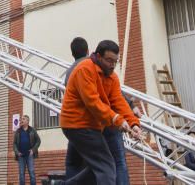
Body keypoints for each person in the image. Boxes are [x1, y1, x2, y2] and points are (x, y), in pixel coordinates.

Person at [60, 39, 142, 184]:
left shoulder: (112, 77)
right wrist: (117, 119)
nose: (112, 65)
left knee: (98, 166)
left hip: (93, 126)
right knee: (108, 166)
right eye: (109, 60)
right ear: (98, 56)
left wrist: (133, 123)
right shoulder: (84, 69)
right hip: (76, 124)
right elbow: (93, 102)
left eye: (115, 61)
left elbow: (119, 101)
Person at [64, 37, 90, 179]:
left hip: (72, 126)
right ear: (88, 50)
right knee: (94, 165)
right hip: (88, 126)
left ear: (72, 54)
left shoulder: (68, 73)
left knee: (72, 164)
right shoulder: (92, 66)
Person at [13, 115, 41, 185]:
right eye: (21, 119)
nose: (21, 120)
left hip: (29, 155)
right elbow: (14, 144)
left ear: (27, 121)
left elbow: (38, 141)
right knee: (21, 175)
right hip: (21, 156)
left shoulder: (32, 130)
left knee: (32, 173)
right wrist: (17, 152)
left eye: (23, 119)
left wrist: (33, 150)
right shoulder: (18, 131)